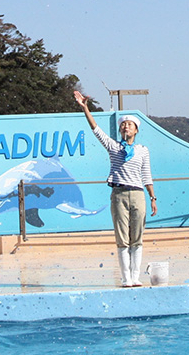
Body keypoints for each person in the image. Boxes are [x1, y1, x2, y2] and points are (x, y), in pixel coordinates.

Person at [74, 90, 156, 287]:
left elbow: (147, 175)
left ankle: (135, 276)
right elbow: (96, 130)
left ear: (136, 130)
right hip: (118, 194)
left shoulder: (142, 150)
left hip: (138, 194)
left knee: (137, 237)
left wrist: (153, 197)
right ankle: (126, 277)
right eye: (123, 125)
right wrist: (85, 108)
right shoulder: (114, 147)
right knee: (122, 237)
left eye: (129, 125)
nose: (125, 127)